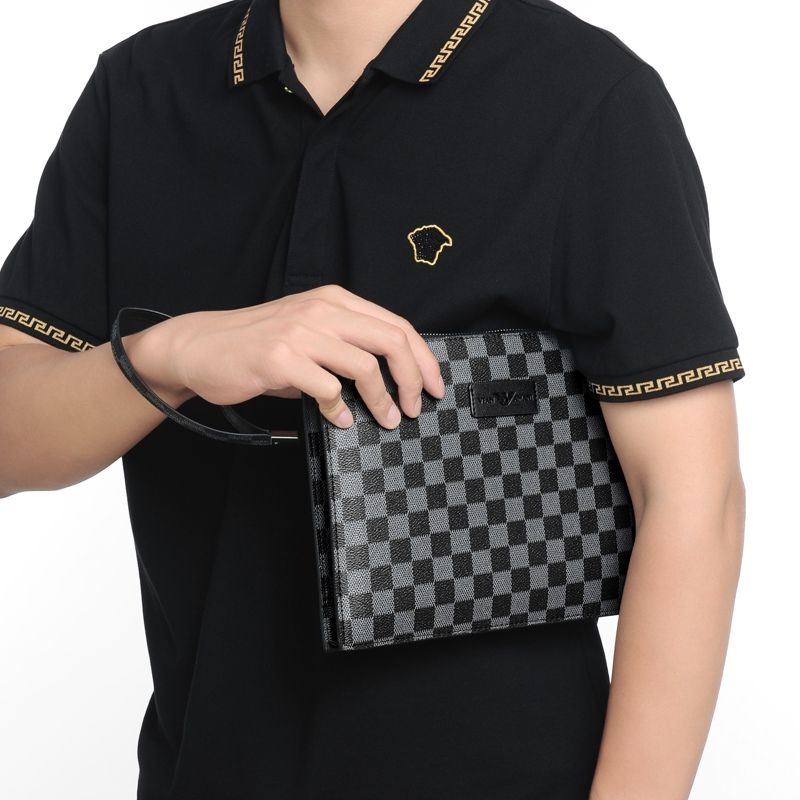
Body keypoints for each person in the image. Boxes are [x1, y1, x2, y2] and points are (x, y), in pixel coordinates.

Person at [0, 0, 746, 797]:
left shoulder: (585, 93)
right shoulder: (142, 89)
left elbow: (693, 500)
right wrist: (169, 353)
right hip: (205, 765)